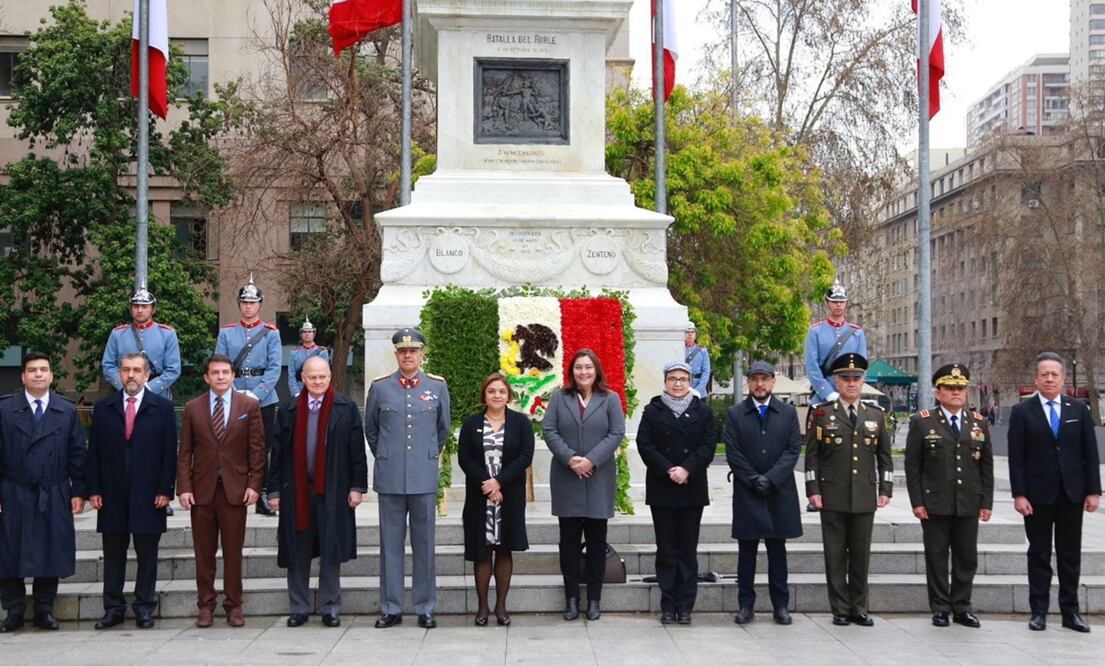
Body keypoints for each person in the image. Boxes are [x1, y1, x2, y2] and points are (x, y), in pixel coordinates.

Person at [268, 356, 367, 628]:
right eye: (313, 377)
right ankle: (298, 608)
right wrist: (273, 491)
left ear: (329, 376)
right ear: (303, 378)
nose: (318, 381)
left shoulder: (344, 408)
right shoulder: (289, 409)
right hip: (296, 491)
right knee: (297, 551)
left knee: (331, 550)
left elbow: (356, 452)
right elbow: (276, 455)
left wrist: (357, 488)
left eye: (322, 376)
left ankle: (330, 607)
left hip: (333, 491)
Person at [364, 328, 451, 629]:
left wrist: (424, 458)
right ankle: (391, 607)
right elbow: (371, 430)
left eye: (413, 351)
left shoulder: (437, 387)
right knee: (390, 544)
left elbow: (442, 431)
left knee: (425, 544)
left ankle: (425, 606)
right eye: (403, 351)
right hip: (390, 478)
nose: (408, 355)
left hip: (423, 477)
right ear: (396, 354)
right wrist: (388, 455)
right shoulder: (380, 387)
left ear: (422, 354)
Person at [1008, 351, 1101, 632]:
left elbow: (1090, 453)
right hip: (1036, 496)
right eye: (1044, 374)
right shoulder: (1022, 412)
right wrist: (1019, 494)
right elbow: (1016, 457)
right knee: (1039, 554)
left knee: (1069, 554)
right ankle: (1038, 612)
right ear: (1036, 379)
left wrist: (1093, 491)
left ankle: (1070, 612)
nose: (1050, 379)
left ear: (1063, 379)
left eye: (1055, 374)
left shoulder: (1078, 410)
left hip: (1072, 494)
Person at [86, 353, 177, 630]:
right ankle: (113, 608)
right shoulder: (104, 408)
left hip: (149, 493)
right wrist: (94, 488)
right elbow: (95, 453)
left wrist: (165, 489)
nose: (131, 375)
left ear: (147, 375)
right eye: (126, 370)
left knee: (147, 555)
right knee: (113, 555)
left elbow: (168, 454)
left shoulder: (161, 408)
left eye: (137, 370)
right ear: (120, 374)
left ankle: (144, 607)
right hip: (112, 493)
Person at [176, 354, 266, 628]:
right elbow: (185, 452)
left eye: (225, 372)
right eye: (215, 372)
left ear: (233, 375)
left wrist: (254, 485)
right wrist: (184, 488)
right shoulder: (193, 407)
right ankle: (205, 605)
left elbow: (257, 450)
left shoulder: (248, 405)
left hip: (235, 491)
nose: (220, 377)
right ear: (206, 377)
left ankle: (234, 605)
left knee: (233, 552)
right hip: (202, 491)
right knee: (203, 553)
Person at [0, 352, 86, 633]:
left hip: (54, 489)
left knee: (51, 550)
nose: (38, 374)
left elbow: (77, 453)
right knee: (9, 551)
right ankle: (13, 611)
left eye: (43, 369)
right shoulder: (4, 410)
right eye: (32, 370)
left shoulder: (66, 410)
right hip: (13, 490)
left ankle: (44, 609)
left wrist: (78, 490)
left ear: (51, 375)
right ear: (23, 376)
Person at [804, 353, 892, 626]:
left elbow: (885, 457)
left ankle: (859, 608)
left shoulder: (876, 415)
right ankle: (840, 609)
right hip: (831, 494)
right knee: (835, 555)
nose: (851, 384)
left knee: (861, 555)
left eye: (856, 379)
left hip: (865, 495)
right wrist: (813, 490)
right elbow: (812, 458)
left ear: (863, 381)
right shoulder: (822, 414)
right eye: (845, 379)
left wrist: (885, 488)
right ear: (836, 381)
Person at [905, 363, 993, 629]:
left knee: (967, 557)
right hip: (935, 502)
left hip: (968, 500)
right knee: (937, 556)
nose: (956, 392)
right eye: (950, 388)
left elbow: (986, 466)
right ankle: (940, 607)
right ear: (938, 392)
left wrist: (986, 502)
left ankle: (962, 606)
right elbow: (913, 466)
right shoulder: (922, 422)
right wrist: (917, 502)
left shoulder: (978, 423)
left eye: (960, 388)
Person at [542, 348, 626, 622]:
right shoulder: (559, 398)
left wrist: (591, 460)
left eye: (588, 367)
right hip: (567, 479)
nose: (584, 372)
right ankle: (571, 600)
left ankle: (594, 600)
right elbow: (549, 430)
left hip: (598, 478)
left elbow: (616, 433)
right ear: (571, 372)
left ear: (596, 370)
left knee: (596, 541)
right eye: (579, 368)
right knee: (568, 543)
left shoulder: (610, 398)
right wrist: (569, 459)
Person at [636, 361, 715, 625]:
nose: (678, 383)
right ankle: (667, 604)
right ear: (665, 381)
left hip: (691, 489)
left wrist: (686, 469)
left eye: (682, 378)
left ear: (690, 381)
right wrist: (669, 468)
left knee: (687, 550)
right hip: (663, 487)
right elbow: (644, 445)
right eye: (672, 378)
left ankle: (685, 606)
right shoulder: (652, 410)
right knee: (666, 549)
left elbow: (707, 446)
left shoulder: (702, 411)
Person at [724, 361, 802, 626]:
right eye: (755, 379)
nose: (760, 384)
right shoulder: (735, 413)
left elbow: (793, 450)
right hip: (748, 492)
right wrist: (752, 479)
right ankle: (746, 605)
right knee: (746, 553)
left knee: (777, 552)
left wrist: (771, 479)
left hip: (779, 493)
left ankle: (781, 605)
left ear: (773, 382)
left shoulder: (788, 413)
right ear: (748, 382)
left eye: (765, 379)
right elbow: (732, 452)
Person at [457, 373, 535, 627]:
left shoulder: (521, 423)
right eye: (492, 391)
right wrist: (489, 486)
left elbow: (525, 456)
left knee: (504, 549)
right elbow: (465, 459)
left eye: (501, 391)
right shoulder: (471, 424)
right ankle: (482, 607)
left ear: (508, 395)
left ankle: (501, 606)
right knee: (482, 552)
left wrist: (500, 482)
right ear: (485, 395)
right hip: (480, 497)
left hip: (509, 495)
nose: (497, 395)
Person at [214, 274, 282, 516]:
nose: (248, 306)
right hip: (231, 394)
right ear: (240, 305)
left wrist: (257, 394)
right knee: (232, 446)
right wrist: (229, 392)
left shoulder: (271, 333)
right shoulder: (227, 333)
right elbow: (220, 364)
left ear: (259, 305)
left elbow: (274, 369)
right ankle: (235, 490)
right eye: (244, 302)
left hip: (262, 398)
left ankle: (262, 492)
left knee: (261, 447)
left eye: (252, 303)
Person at [101, 288, 182, 401]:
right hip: (126, 393)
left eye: (144, 307)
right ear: (130, 309)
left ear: (153, 309)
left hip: (157, 395)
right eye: (136, 306)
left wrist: (149, 388)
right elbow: (108, 365)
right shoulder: (118, 334)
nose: (139, 310)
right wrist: (124, 387)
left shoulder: (167, 334)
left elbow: (173, 369)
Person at [804, 281, 867, 404]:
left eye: (841, 301)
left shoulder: (857, 333)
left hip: (849, 395)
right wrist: (826, 392)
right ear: (827, 303)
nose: (838, 305)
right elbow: (812, 366)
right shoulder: (815, 331)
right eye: (834, 302)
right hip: (822, 397)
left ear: (846, 303)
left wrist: (851, 390)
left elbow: (862, 367)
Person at [287, 317, 330, 398]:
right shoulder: (294, 353)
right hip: (300, 390)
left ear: (313, 333)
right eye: (304, 332)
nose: (307, 334)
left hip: (318, 390)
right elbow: (291, 375)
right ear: (301, 334)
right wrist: (296, 393)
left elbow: (325, 374)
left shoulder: (322, 352)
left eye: (309, 331)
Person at [684, 323, 711, 398]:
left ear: (695, 335)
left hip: (699, 389)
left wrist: (698, 389)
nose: (690, 334)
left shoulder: (702, 351)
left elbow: (706, 371)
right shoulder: (678, 349)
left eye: (692, 332)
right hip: (682, 388)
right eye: (687, 332)